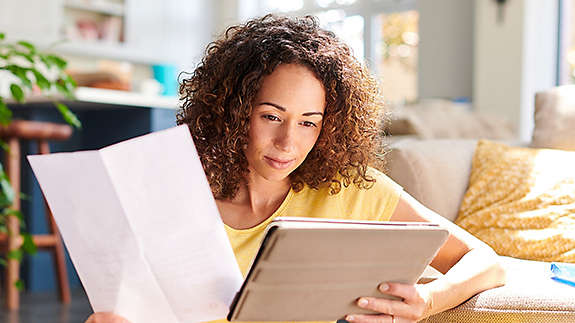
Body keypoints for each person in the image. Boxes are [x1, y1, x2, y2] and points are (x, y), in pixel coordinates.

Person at [86, 14, 505, 323]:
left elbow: (485, 261)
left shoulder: (351, 190)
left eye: (309, 122)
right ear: (233, 112)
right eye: (271, 116)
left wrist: (428, 300)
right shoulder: (177, 198)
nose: (289, 143)